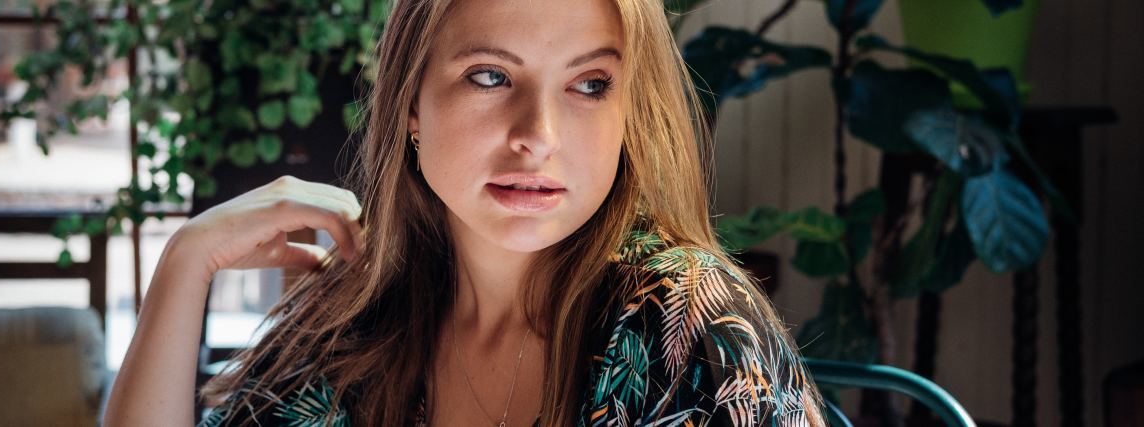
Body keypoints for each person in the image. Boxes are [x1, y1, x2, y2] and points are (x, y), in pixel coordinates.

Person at [103, 0, 827, 425]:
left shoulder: (688, 322)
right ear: (411, 105)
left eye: (590, 84)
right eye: (490, 76)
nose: (538, 134)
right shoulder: (349, 318)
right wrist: (186, 260)